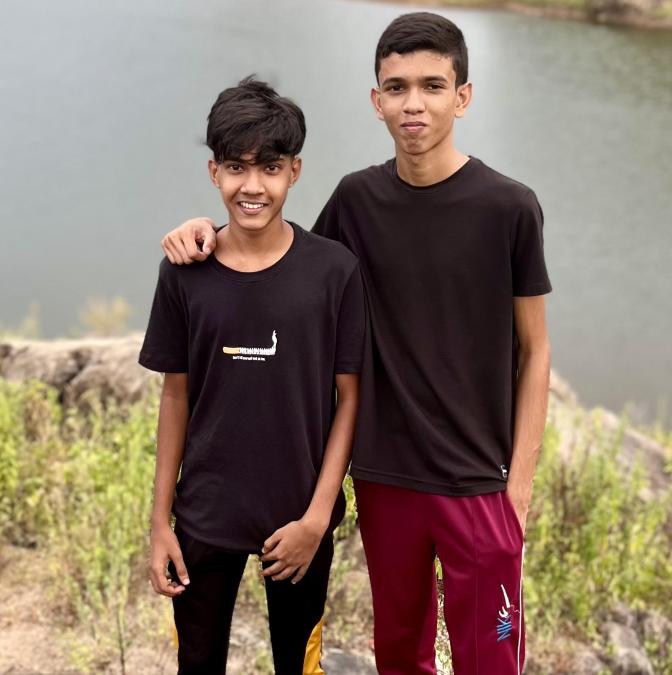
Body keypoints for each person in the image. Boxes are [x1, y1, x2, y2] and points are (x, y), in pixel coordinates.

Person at [158, 13, 552, 674]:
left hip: (480, 479)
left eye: (433, 85)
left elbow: (535, 350)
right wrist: (200, 232)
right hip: (385, 477)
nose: (414, 103)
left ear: (464, 96)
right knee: (399, 652)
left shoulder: (509, 208)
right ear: (376, 101)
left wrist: (520, 487)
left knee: (490, 657)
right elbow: (276, 255)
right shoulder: (355, 200)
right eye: (396, 87)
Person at [140, 76, 367, 675]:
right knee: (197, 662)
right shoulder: (185, 273)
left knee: (300, 664)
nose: (253, 186)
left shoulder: (333, 271)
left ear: (294, 171)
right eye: (237, 169)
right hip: (204, 517)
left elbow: (350, 400)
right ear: (214, 173)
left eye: (269, 168)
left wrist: (318, 519)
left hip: (296, 520)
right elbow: (175, 397)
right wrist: (161, 522)